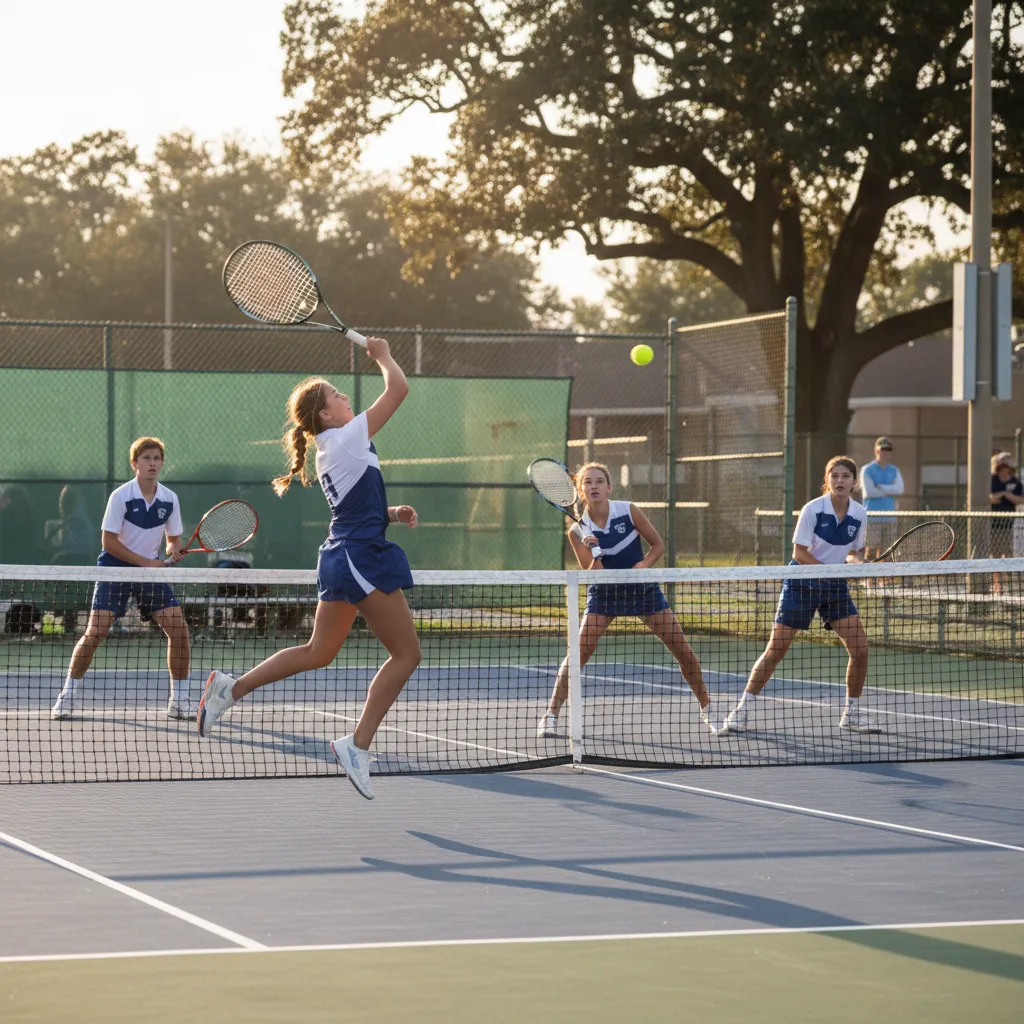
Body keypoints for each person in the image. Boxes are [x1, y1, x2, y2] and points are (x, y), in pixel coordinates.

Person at [197, 337, 421, 801]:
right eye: (336, 395)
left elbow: (356, 506)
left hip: (344, 553)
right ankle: (356, 745)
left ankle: (228, 688)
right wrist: (381, 355)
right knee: (407, 655)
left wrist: (391, 512)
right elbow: (398, 389)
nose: (345, 397)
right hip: (360, 557)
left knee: (319, 652)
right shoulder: (346, 437)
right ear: (324, 415)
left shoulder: (339, 444)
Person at [536, 462, 715, 739]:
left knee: (683, 651)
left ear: (609, 487)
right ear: (580, 491)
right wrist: (592, 549)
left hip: (643, 591)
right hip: (605, 595)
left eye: (599, 481)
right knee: (577, 656)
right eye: (587, 482)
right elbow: (595, 574)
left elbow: (658, 545)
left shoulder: (628, 511)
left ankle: (708, 709)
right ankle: (550, 715)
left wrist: (644, 566)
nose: (593, 485)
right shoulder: (577, 532)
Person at [718, 455, 878, 735]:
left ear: (854, 483)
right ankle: (741, 710)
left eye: (846, 476)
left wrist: (858, 564)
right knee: (776, 650)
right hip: (801, 584)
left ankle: (851, 713)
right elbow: (799, 553)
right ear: (827, 481)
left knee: (860, 650)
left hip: (834, 588)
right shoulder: (813, 510)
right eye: (835, 476)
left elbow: (854, 553)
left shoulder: (859, 514)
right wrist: (830, 569)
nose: (840, 481)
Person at [51, 438, 191, 720]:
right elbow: (109, 542)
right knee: (96, 631)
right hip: (115, 567)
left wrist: (173, 549)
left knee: (179, 629)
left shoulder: (169, 499)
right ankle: (66, 697)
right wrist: (146, 562)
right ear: (135, 463)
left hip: (148, 572)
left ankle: (180, 701)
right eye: (147, 458)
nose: (153, 463)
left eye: (157, 458)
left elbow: (172, 539)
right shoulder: (121, 496)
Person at [859, 436, 904, 560]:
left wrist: (880, 487)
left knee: (888, 550)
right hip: (873, 517)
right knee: (871, 549)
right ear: (876, 450)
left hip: (890, 517)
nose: (885, 452)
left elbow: (899, 490)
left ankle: (885, 579)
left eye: (888, 449)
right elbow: (869, 492)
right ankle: (869, 578)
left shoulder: (894, 470)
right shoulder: (867, 469)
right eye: (882, 449)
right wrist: (890, 489)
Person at [44, 485, 95, 565]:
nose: (62, 505)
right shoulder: (56, 525)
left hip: (78, 559)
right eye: (62, 501)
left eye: (67, 501)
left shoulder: (81, 524)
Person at [989, 451, 1023, 558]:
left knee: (1007, 552)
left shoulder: (1015, 482)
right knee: (994, 552)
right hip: (992, 523)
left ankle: (1006, 574)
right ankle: (995, 574)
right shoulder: (992, 480)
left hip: (1007, 523)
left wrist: (1008, 495)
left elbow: (1020, 499)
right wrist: (1000, 494)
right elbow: (990, 499)